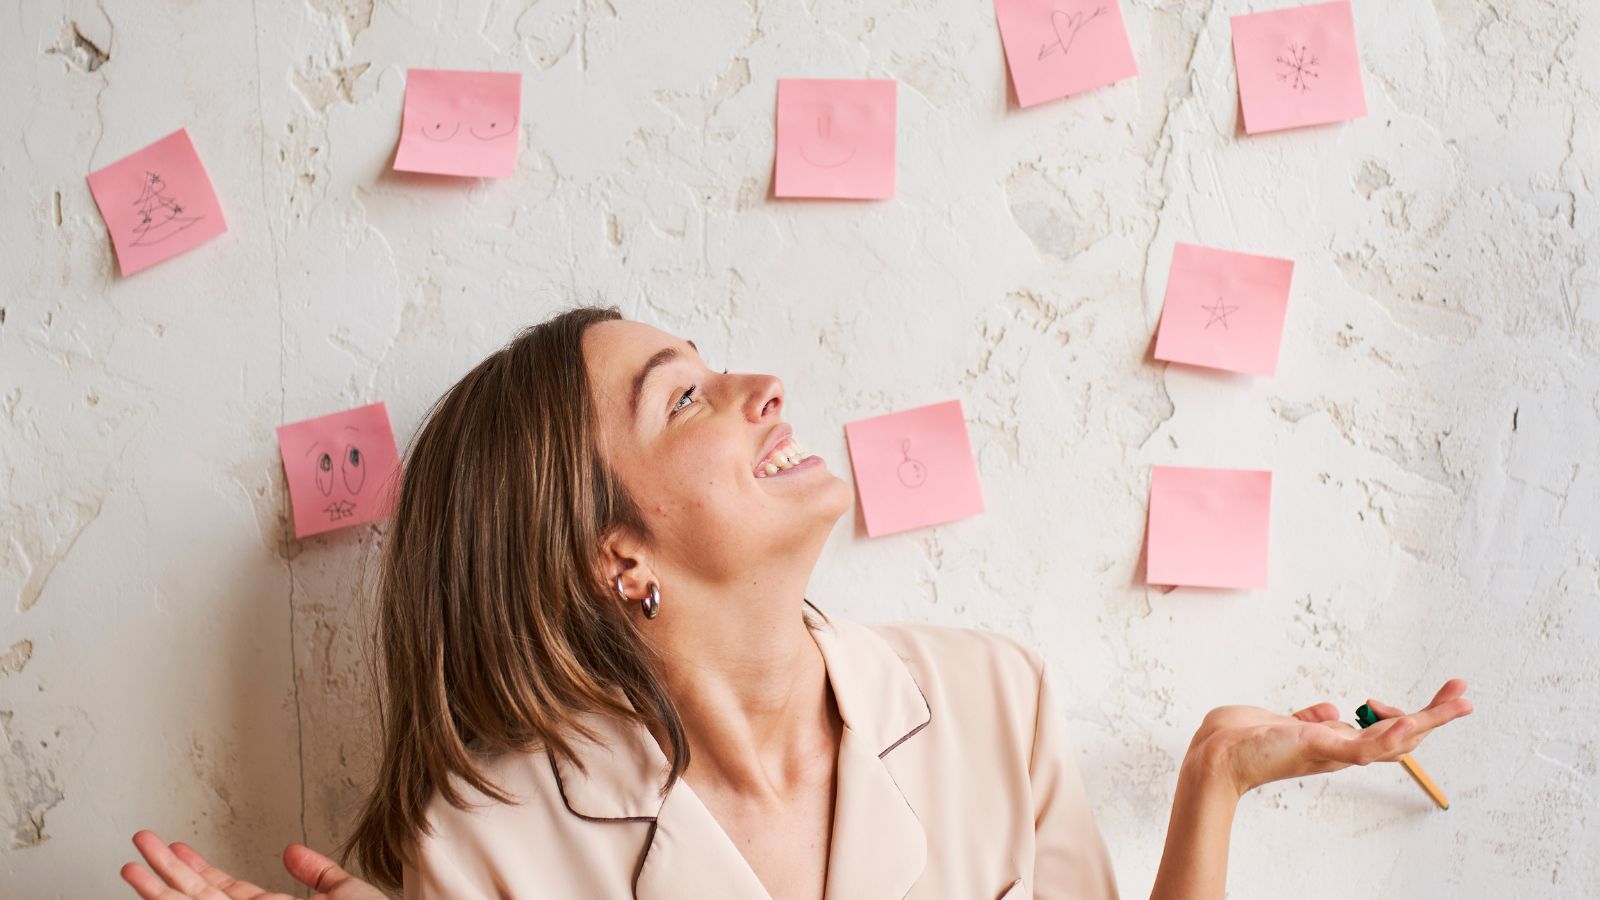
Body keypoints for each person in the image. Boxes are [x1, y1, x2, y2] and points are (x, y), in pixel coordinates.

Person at [122, 307, 1472, 900]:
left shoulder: (994, 701)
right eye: (685, 398)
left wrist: (1214, 783)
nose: (762, 388)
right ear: (616, 561)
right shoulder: (493, 845)